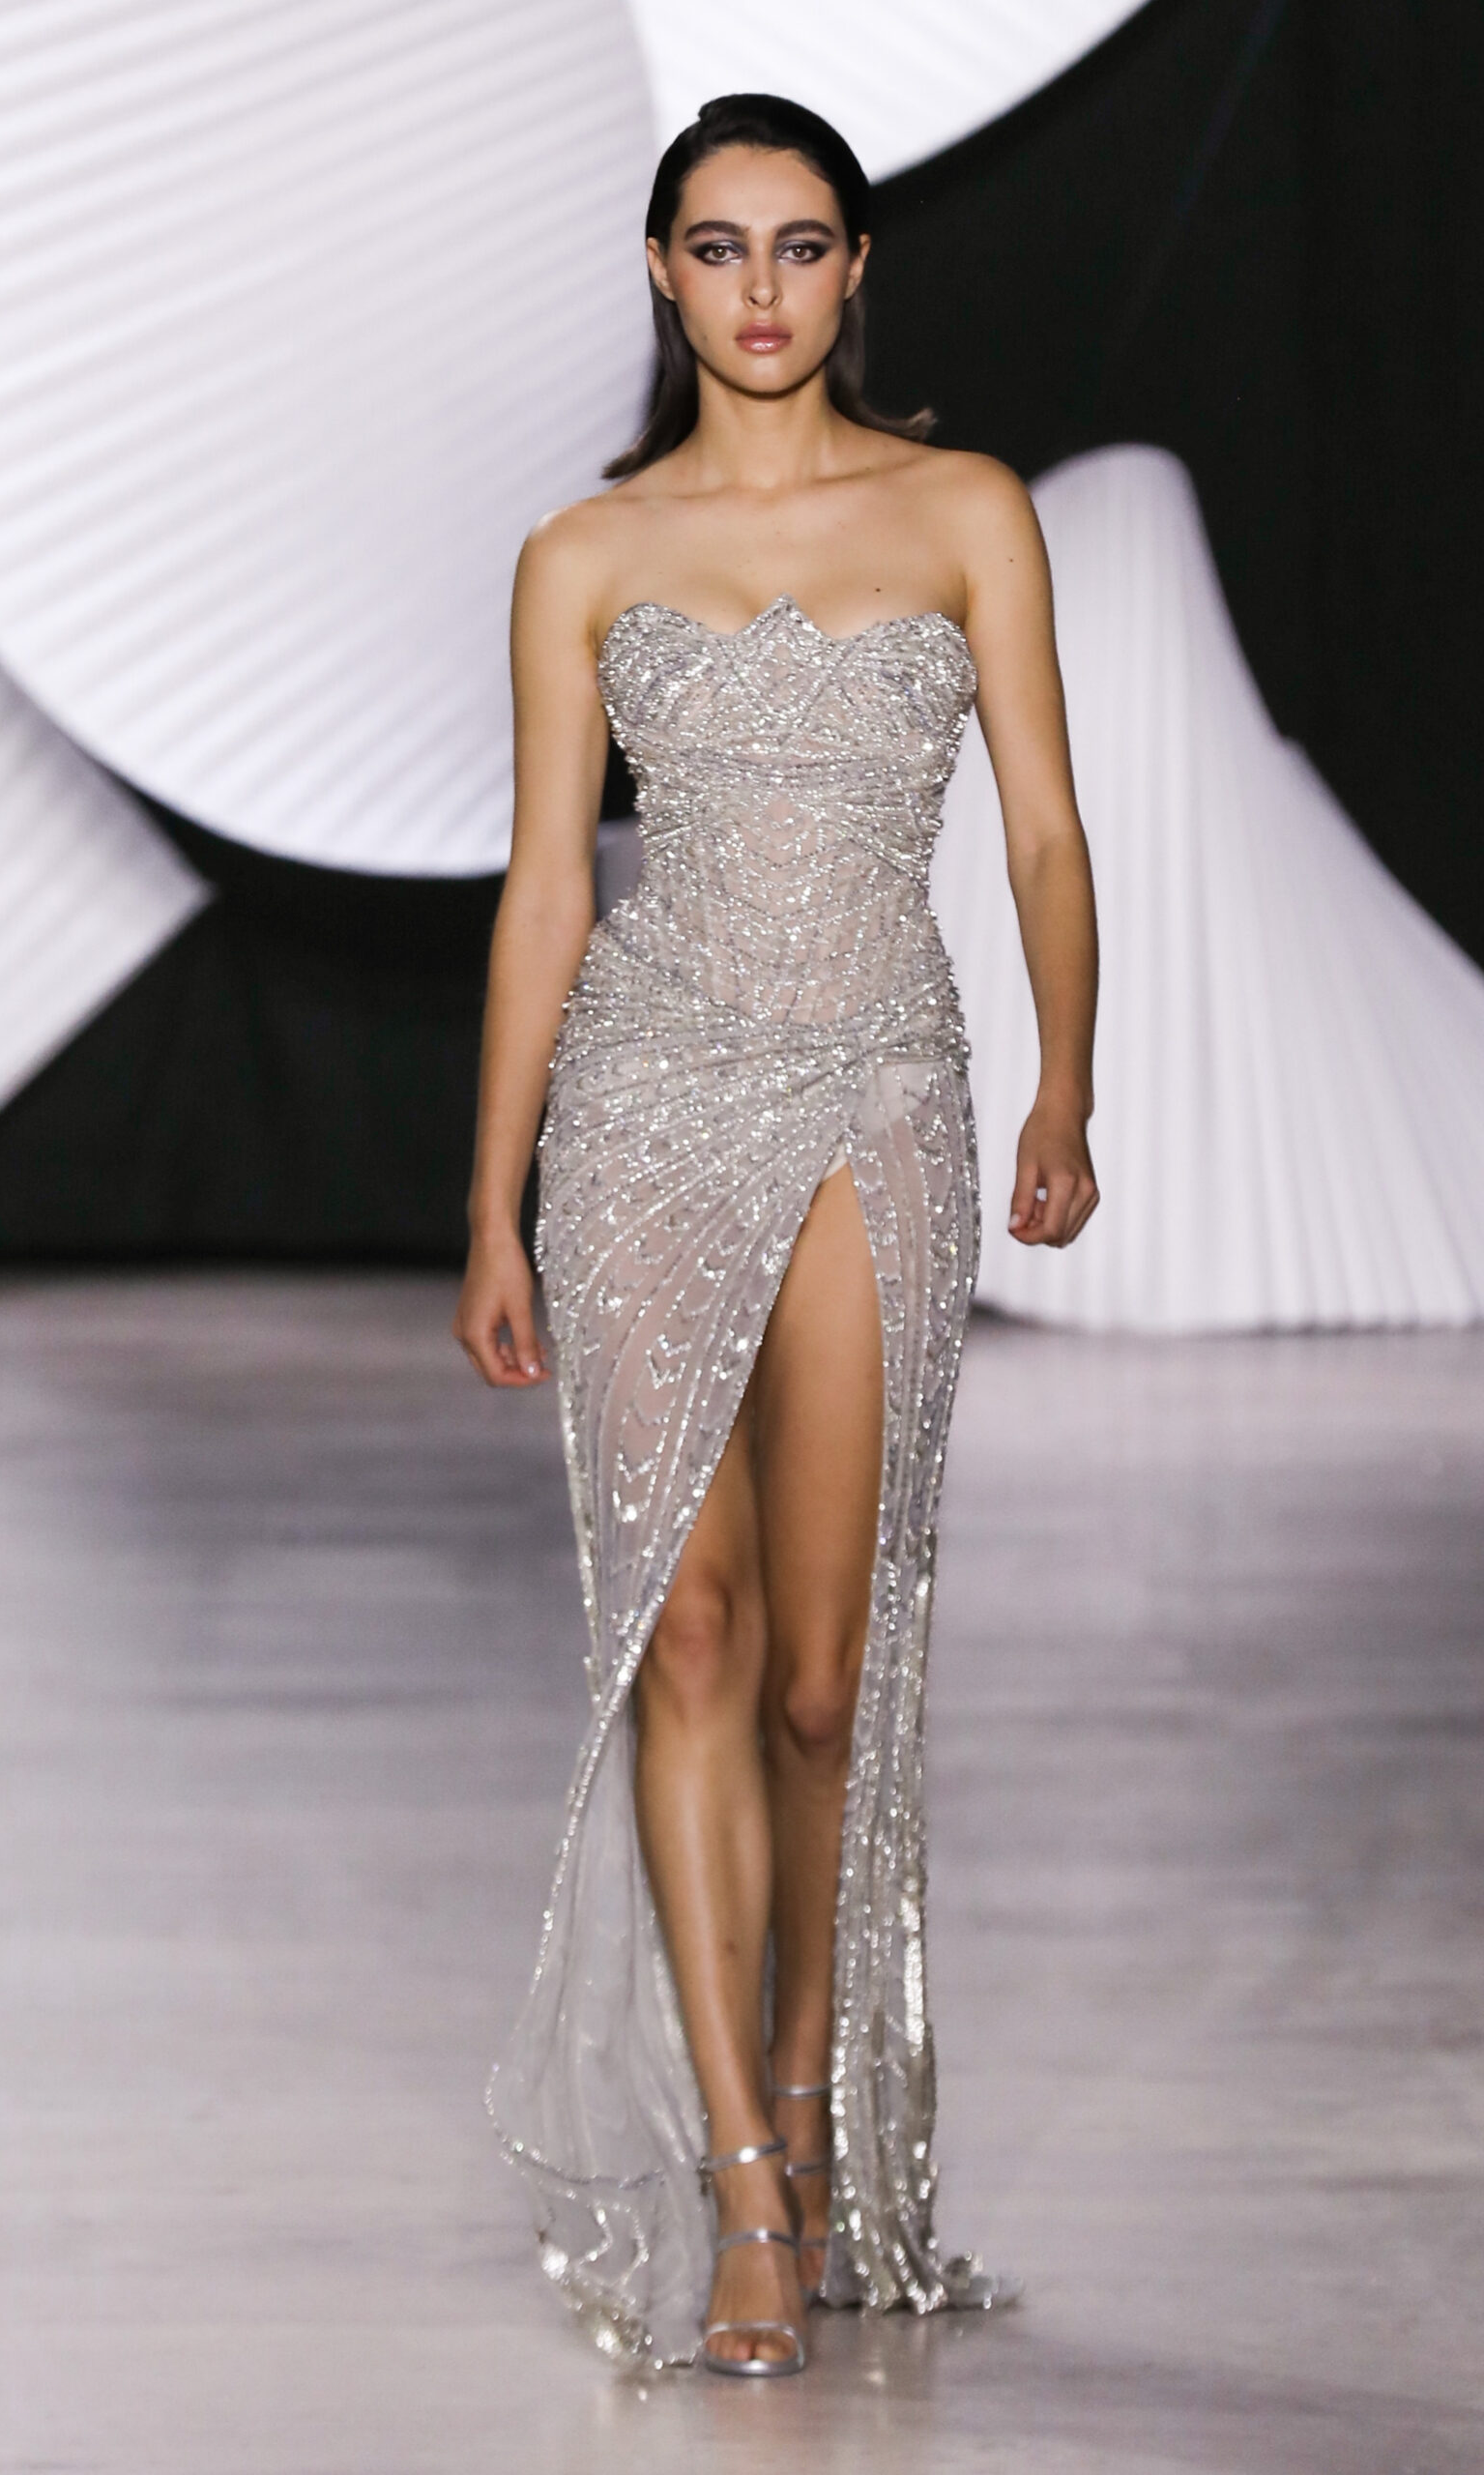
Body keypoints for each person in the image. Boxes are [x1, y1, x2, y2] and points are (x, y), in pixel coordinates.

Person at [453, 91, 1098, 2377]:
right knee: (689, 1633)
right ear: (659, 271)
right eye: (716, 246)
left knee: (829, 1675)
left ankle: (812, 2103)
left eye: (798, 244)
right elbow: (549, 884)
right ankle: (739, 2172)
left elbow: (1041, 828)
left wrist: (1064, 1078)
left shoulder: (962, 510)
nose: (758, 287)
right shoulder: (582, 552)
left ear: (852, 268)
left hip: (875, 1092)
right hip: (641, 1098)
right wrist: (490, 1193)